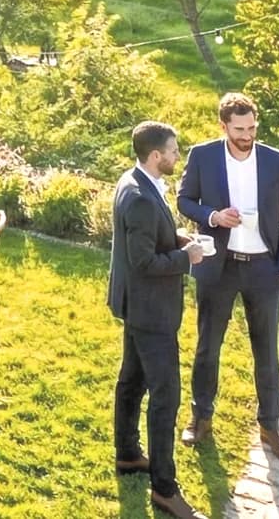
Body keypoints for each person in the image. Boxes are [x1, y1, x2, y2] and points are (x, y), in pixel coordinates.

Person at [176, 92, 279, 459]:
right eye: (239, 128)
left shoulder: (277, 161)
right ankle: (200, 417)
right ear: (224, 126)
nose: (247, 134)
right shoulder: (203, 155)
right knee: (207, 346)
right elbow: (184, 200)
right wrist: (213, 216)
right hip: (219, 264)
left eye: (251, 127)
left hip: (264, 267)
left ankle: (271, 426)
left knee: (267, 351)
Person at [110, 121, 208, 519]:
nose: (177, 157)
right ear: (156, 156)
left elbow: (147, 242)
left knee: (131, 379)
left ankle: (129, 453)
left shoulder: (134, 180)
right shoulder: (140, 199)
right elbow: (144, 261)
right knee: (165, 397)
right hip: (151, 310)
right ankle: (165, 489)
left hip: (137, 305)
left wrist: (178, 239)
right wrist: (189, 258)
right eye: (173, 151)